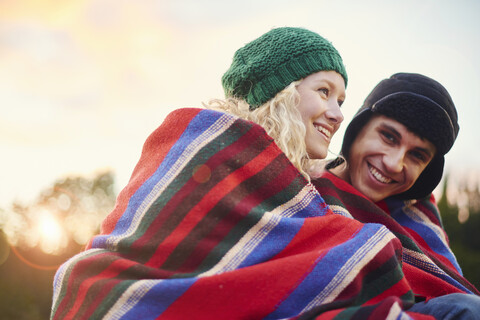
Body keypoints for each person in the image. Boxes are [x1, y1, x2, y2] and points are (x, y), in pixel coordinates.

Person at [50, 28, 442, 320]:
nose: (338, 113)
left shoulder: (304, 188)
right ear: (281, 89)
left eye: (341, 100)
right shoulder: (208, 146)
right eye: (324, 91)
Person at [312, 72, 480, 319]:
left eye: (417, 155)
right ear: (358, 127)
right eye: (388, 137)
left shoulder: (415, 212)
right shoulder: (303, 191)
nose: (394, 164)